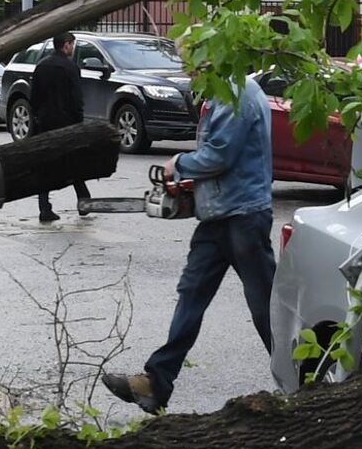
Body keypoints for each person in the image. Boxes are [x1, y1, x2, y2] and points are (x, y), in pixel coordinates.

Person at [99, 66, 275, 414]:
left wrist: (178, 164)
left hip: (243, 215)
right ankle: (156, 382)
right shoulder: (223, 90)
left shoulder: (234, 90)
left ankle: (304, 379)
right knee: (191, 294)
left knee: (265, 306)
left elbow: (219, 155)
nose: (190, 73)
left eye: (194, 64)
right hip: (218, 216)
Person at [29, 32, 97, 225]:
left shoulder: (41, 66)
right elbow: (76, 98)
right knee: (74, 163)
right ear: (66, 45)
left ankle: (44, 207)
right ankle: (84, 201)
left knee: (46, 166)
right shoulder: (70, 67)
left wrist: (38, 116)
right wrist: (78, 121)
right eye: (72, 44)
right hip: (67, 123)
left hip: (45, 123)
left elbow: (34, 97)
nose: (72, 48)